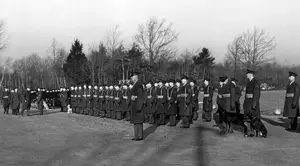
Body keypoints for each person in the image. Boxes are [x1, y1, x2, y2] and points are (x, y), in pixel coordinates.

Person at [243, 69, 261, 137]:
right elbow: (246, 94)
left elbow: (256, 94)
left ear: (250, 74)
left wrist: (254, 104)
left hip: (252, 103)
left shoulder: (255, 82)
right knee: (248, 117)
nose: (246, 75)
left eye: (247, 74)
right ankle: (250, 131)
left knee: (255, 117)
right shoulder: (249, 82)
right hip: (247, 102)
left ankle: (257, 132)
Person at [130, 71, 145, 141]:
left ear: (135, 77)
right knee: (135, 122)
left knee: (138, 121)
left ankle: (140, 136)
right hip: (135, 105)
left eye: (132, 77)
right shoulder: (135, 84)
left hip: (138, 105)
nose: (131, 78)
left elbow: (141, 96)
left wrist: (139, 107)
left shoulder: (139, 84)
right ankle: (136, 135)